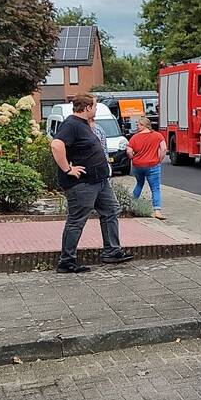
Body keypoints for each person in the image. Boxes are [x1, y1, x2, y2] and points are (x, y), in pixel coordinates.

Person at [50, 94, 134, 273]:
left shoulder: (83, 125)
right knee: (77, 220)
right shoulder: (72, 124)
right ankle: (66, 261)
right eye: (94, 107)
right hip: (83, 184)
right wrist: (67, 169)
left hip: (99, 181)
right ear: (87, 108)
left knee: (111, 210)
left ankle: (112, 251)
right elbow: (56, 145)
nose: (95, 110)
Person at [127, 114, 167, 220]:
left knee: (139, 184)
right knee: (155, 188)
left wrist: (132, 158)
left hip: (138, 165)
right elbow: (163, 148)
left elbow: (129, 151)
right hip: (153, 165)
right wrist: (160, 159)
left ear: (144, 125)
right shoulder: (158, 136)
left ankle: (132, 205)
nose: (137, 126)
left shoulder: (134, 137)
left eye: (138, 125)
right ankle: (157, 211)